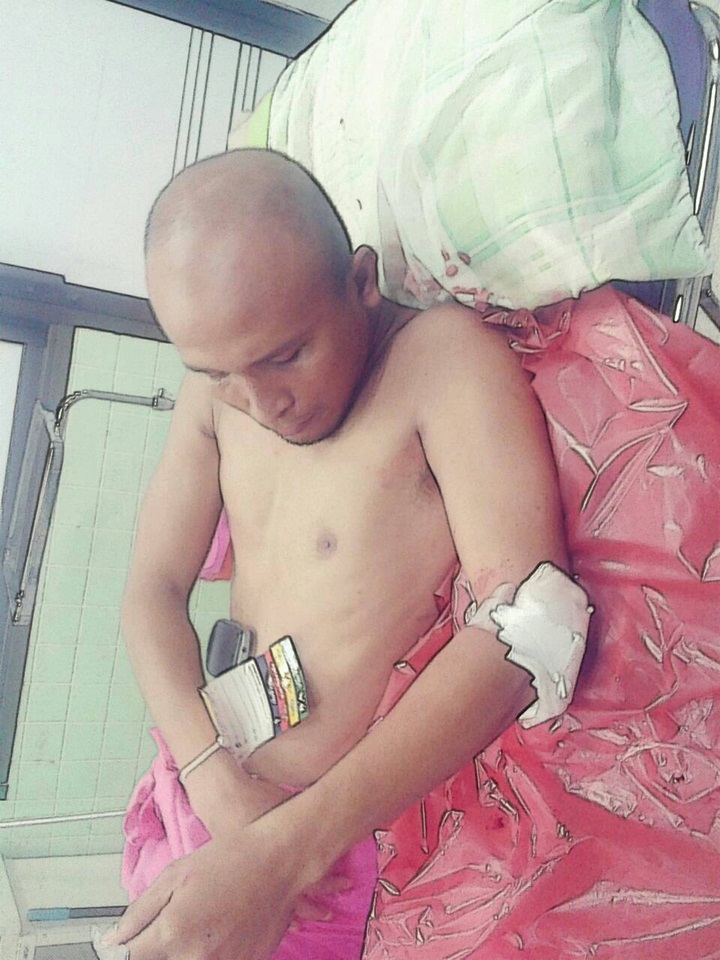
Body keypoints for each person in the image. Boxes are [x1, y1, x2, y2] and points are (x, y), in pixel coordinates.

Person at [106, 147, 720, 960]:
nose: (261, 402)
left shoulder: (437, 361)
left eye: (287, 356)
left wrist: (283, 855)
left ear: (362, 281)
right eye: (219, 371)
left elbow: (532, 630)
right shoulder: (215, 394)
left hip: (338, 853)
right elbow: (151, 589)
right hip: (203, 796)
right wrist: (208, 773)